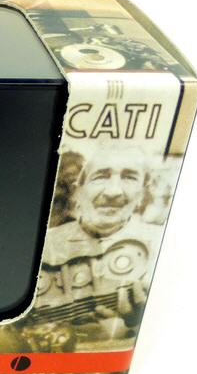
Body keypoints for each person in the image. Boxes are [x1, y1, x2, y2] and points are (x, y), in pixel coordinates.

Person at [26, 147, 159, 348]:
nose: (113, 192)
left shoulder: (163, 244)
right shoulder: (43, 245)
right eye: (100, 177)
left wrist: (145, 322)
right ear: (78, 190)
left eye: (130, 178)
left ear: (142, 193)